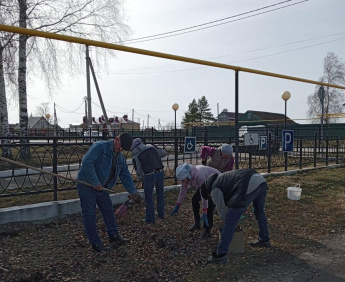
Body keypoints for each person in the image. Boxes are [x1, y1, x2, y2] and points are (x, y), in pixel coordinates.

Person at [77, 132, 139, 252]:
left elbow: (125, 174)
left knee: (108, 210)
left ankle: (113, 235)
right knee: (89, 214)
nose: (120, 149)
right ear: (116, 139)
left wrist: (133, 192)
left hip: (102, 187)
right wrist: (95, 182)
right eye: (119, 146)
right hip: (87, 185)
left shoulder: (120, 157)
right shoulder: (100, 147)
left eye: (122, 149)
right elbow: (87, 162)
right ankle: (95, 243)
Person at [200, 168, 270, 264]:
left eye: (209, 197)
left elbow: (223, 212)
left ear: (208, 193)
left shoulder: (214, 189)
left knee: (230, 220)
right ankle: (264, 239)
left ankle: (221, 254)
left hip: (247, 184)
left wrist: (230, 224)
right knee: (259, 211)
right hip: (260, 181)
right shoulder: (222, 177)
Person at [170, 163, 220, 239]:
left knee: (210, 205)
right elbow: (183, 191)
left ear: (188, 175)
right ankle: (197, 222)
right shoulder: (185, 177)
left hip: (215, 182)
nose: (184, 181)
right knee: (194, 199)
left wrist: (204, 211)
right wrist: (177, 205)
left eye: (184, 179)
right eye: (182, 180)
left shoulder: (198, 175)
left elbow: (204, 196)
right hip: (204, 184)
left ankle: (207, 230)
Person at [130, 138, 167, 224]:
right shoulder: (151, 148)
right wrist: (156, 148)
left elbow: (139, 170)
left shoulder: (136, 155)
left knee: (149, 198)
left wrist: (141, 179)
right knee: (160, 194)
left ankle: (150, 219)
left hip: (149, 175)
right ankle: (161, 214)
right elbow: (164, 153)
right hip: (160, 173)